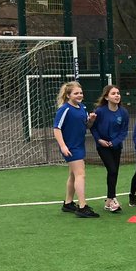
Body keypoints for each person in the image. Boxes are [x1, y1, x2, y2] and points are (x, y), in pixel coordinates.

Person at [53, 81, 98, 218]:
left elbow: (86, 126)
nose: (79, 95)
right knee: (80, 174)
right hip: (71, 147)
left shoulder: (82, 108)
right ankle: (82, 207)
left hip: (79, 145)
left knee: (73, 175)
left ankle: (68, 203)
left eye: (81, 93)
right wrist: (63, 146)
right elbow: (56, 129)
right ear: (68, 95)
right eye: (76, 93)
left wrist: (91, 120)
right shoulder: (64, 109)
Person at [91, 84, 130, 212]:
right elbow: (93, 127)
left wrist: (114, 142)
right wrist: (99, 140)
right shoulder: (100, 111)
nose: (117, 95)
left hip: (116, 146)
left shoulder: (123, 112)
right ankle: (113, 199)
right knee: (112, 170)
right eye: (113, 93)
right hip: (102, 146)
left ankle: (108, 201)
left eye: (118, 93)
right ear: (106, 97)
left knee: (114, 172)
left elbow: (123, 131)